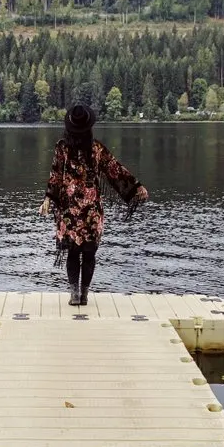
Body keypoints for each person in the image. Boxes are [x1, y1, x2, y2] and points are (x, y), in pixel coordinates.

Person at [39, 104, 148, 306]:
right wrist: (135, 187)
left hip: (69, 211)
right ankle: (84, 295)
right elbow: (115, 170)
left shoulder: (63, 147)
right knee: (88, 253)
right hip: (91, 211)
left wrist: (48, 198)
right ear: (88, 127)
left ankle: (75, 295)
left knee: (73, 253)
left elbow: (55, 176)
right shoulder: (96, 148)